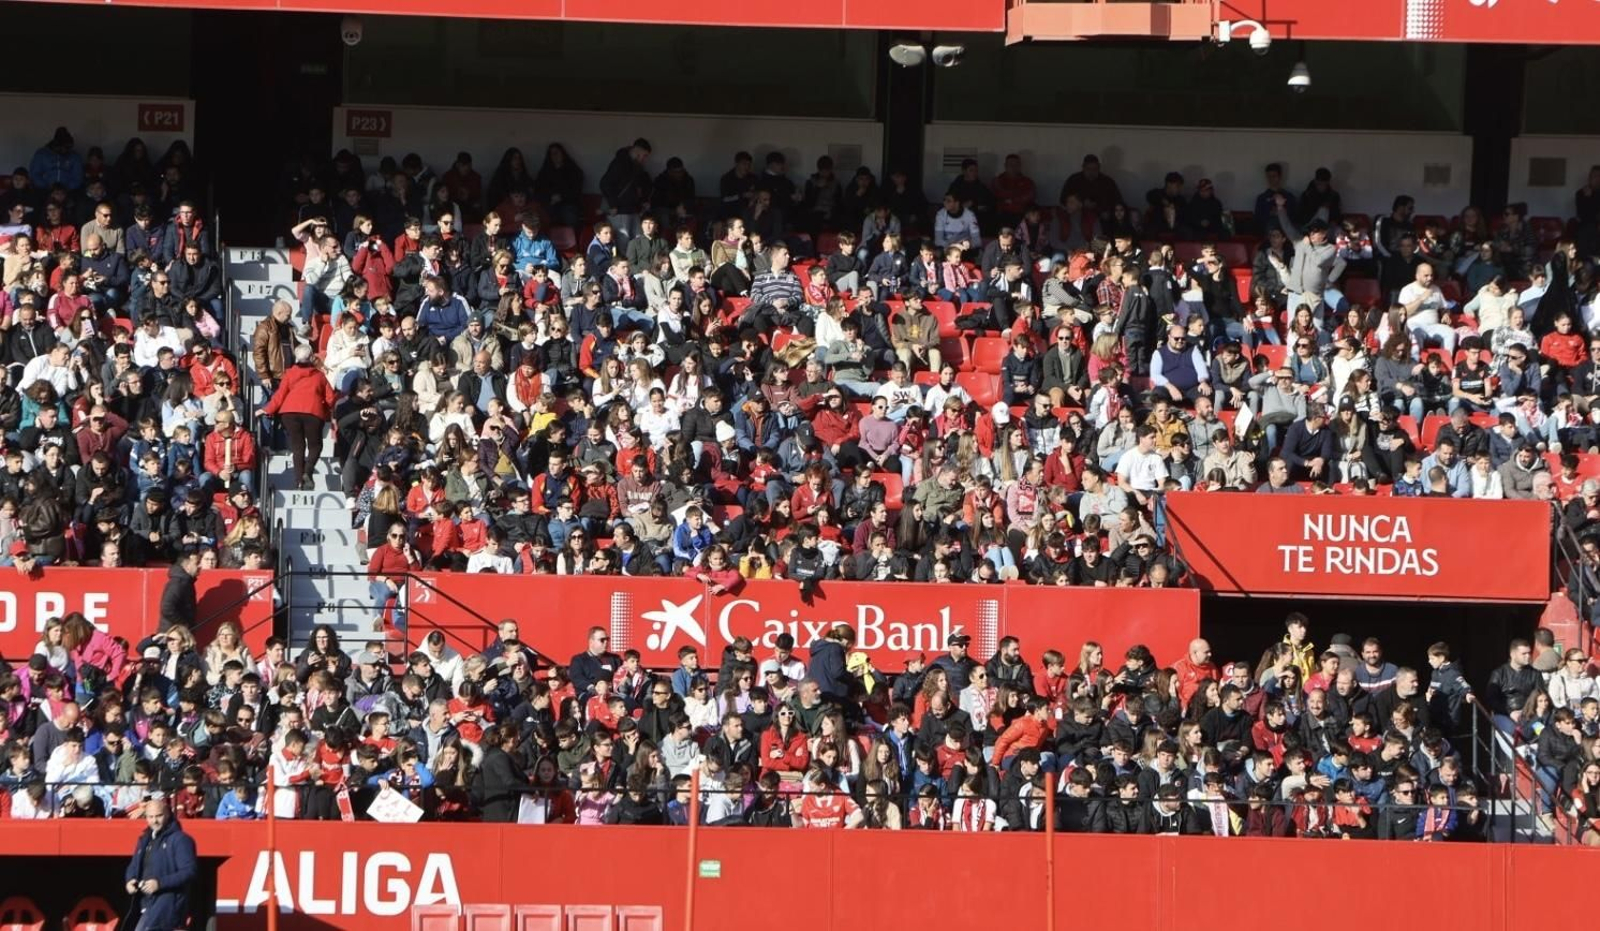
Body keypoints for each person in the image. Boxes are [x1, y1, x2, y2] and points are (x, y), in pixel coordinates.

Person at [260, 342, 334, 490]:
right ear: (311, 357)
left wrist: (267, 409)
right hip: (313, 412)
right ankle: (308, 471)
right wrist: (325, 412)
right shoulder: (319, 376)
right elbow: (330, 398)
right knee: (315, 446)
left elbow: (280, 395)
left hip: (289, 413)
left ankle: (299, 481)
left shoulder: (289, 373)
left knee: (297, 447)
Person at [123, 791, 197, 931]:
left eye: (159, 816)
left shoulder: (180, 840)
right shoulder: (144, 839)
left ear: (167, 814)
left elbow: (189, 872)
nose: (154, 821)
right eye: (150, 817)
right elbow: (134, 865)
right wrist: (130, 880)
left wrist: (160, 883)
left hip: (168, 905)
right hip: (145, 903)